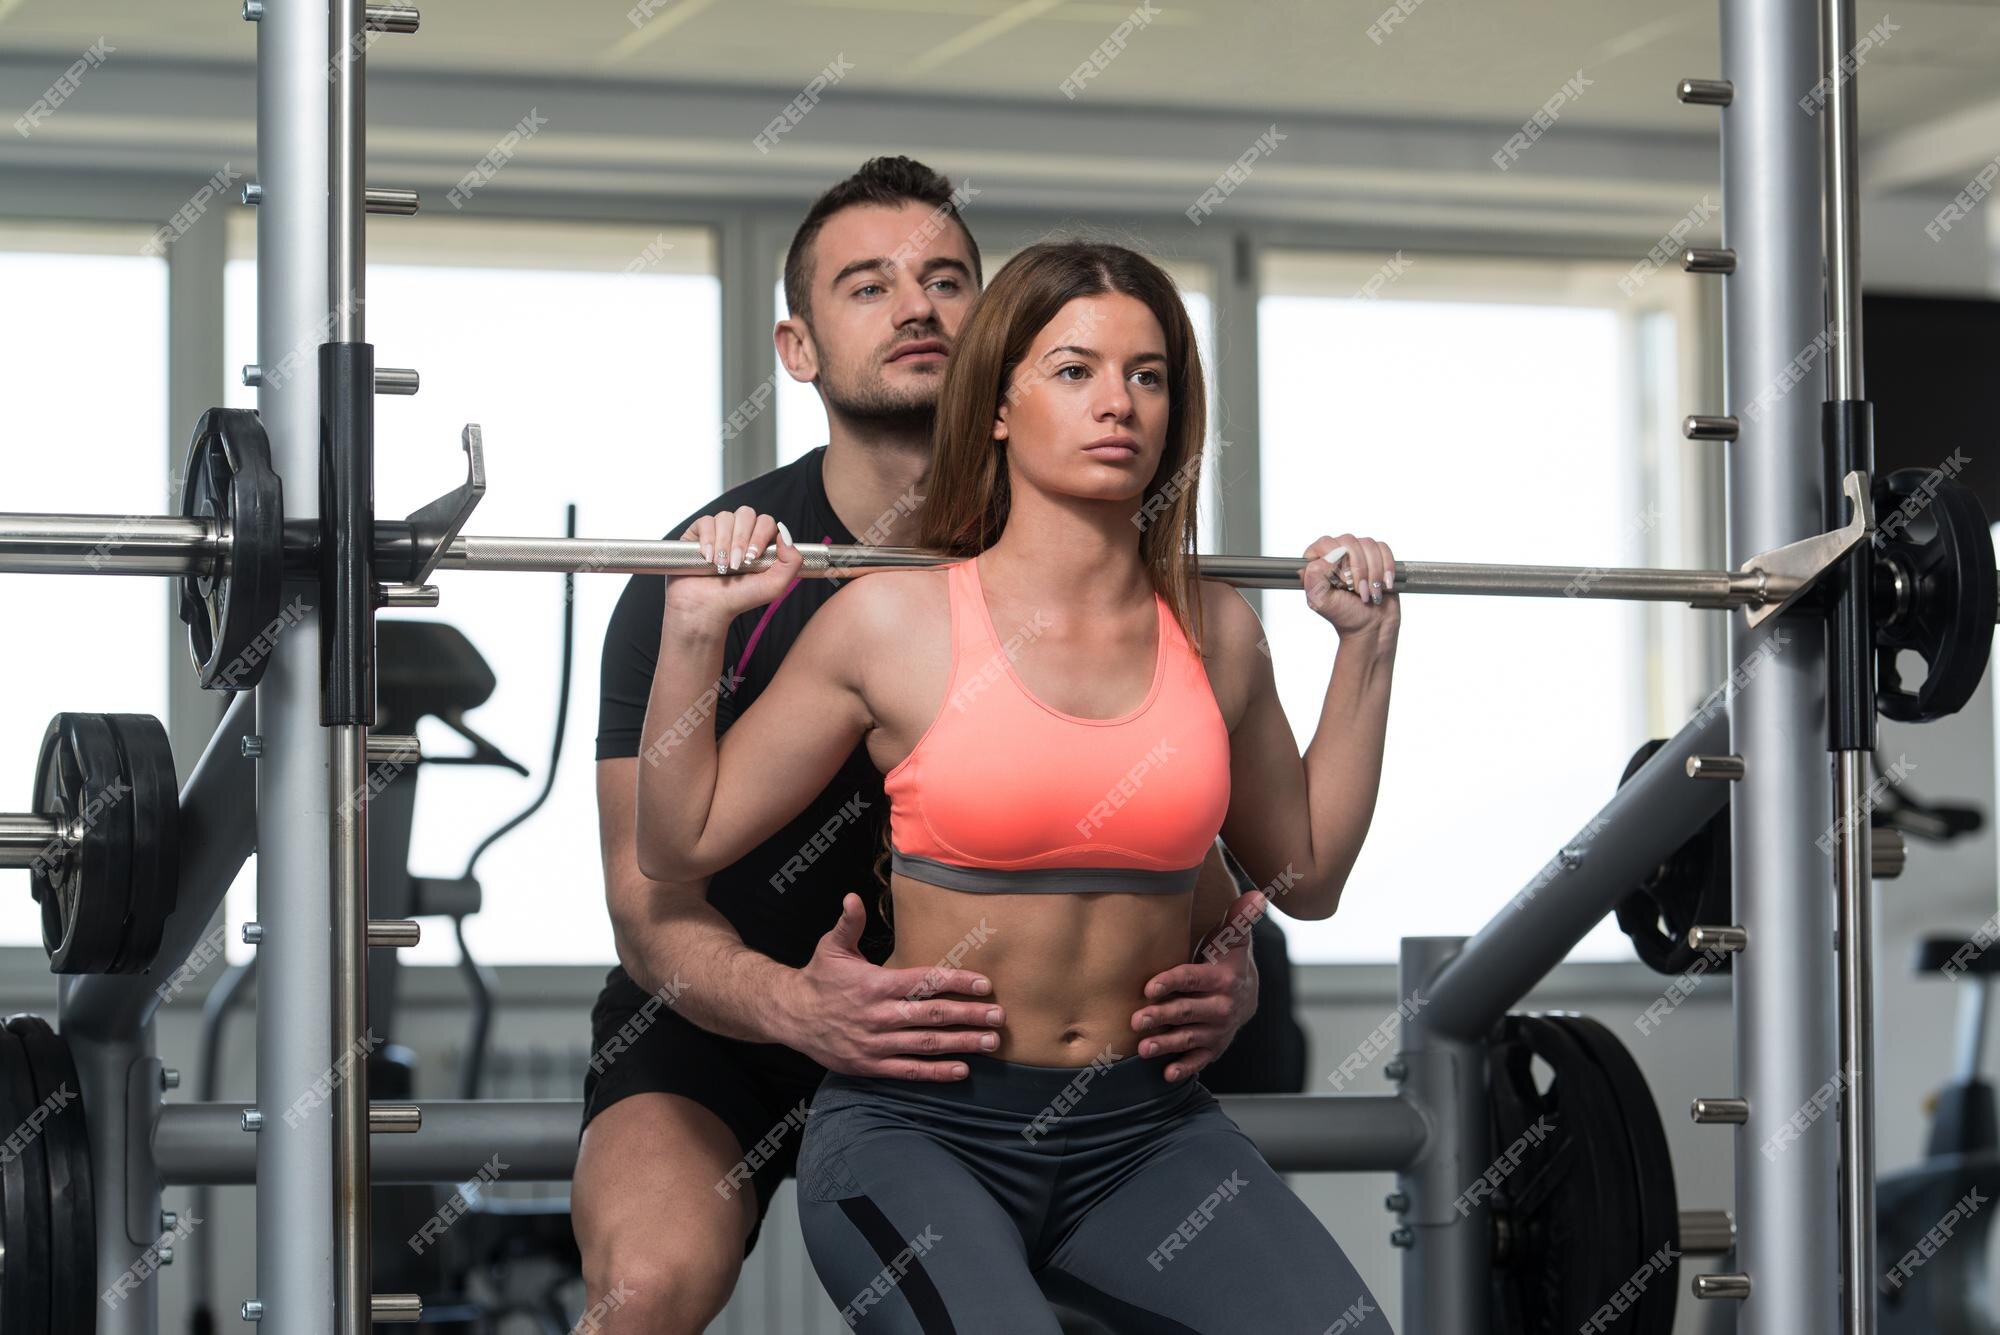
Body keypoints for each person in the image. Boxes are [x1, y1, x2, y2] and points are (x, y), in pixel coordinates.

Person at [634, 239, 1397, 1332]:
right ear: (995, 405)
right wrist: (695, 631)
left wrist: (1364, 652)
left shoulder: (1215, 628)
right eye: (1073, 371)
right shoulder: (893, 624)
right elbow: (681, 839)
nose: (1117, 405)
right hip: (919, 1135)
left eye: (1146, 375)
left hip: (1146, 1135)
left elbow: (1305, 874)